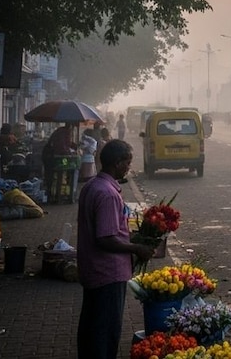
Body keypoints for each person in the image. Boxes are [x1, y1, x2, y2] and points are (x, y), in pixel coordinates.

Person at [76, 139, 156, 359]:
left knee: (91, 325)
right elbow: (106, 238)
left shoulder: (92, 186)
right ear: (118, 163)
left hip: (93, 270)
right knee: (106, 330)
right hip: (107, 273)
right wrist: (136, 247)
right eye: (127, 162)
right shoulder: (108, 194)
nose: (129, 167)